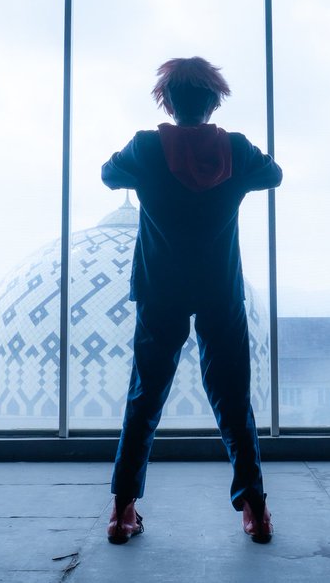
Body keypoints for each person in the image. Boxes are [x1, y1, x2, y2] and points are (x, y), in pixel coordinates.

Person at [101, 57, 282, 544]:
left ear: (167, 101)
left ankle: (122, 510)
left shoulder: (145, 148)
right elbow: (274, 174)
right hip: (219, 288)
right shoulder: (235, 150)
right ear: (214, 102)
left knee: (145, 397)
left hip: (160, 288)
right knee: (233, 397)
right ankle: (256, 510)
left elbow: (108, 175)